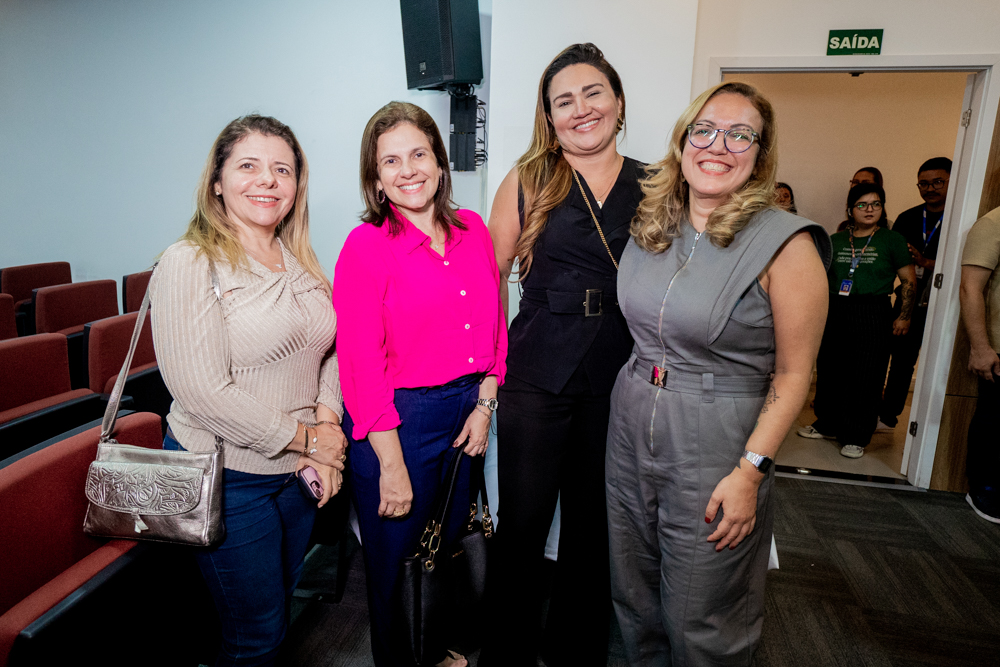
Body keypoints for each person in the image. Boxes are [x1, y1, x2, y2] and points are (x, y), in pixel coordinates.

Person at [606, 81, 830, 666]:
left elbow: (794, 375)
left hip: (717, 440)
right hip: (630, 423)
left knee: (701, 613)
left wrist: (750, 472)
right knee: (634, 594)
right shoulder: (654, 227)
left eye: (739, 135)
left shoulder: (787, 245)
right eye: (703, 130)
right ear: (683, 142)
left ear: (761, 153)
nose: (717, 146)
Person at [150, 114, 347, 666]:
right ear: (217, 181)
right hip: (227, 477)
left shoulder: (300, 261)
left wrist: (327, 422)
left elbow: (332, 350)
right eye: (248, 166)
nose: (267, 180)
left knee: (277, 609)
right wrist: (312, 440)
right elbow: (202, 392)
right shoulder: (190, 261)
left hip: (293, 475)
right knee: (256, 636)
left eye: (282, 169)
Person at [477, 43, 642, 667]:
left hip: (619, 369)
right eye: (564, 101)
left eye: (593, 93)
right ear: (549, 117)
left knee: (594, 523)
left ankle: (575, 651)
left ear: (618, 101)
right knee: (523, 521)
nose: (581, 109)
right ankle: (506, 655)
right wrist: (489, 372)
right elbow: (490, 277)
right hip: (536, 370)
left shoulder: (658, 184)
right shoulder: (529, 179)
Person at [333, 101, 507, 667]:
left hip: (467, 412)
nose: (408, 170)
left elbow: (494, 327)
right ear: (375, 178)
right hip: (398, 424)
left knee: (446, 549)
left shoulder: (473, 230)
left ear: (439, 162)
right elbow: (360, 364)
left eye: (418, 154)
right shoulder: (366, 247)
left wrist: (484, 406)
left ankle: (432, 651)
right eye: (391, 161)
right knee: (396, 567)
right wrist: (390, 463)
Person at [798, 183, 916, 458]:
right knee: (830, 369)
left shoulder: (892, 239)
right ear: (850, 210)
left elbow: (909, 280)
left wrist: (904, 316)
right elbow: (819, 279)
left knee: (866, 375)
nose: (869, 209)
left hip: (873, 310)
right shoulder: (836, 239)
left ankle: (856, 435)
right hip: (835, 309)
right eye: (862, 205)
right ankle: (827, 423)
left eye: (876, 204)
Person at [879, 157, 952, 431]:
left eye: (937, 182)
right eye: (924, 183)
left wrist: (925, 262)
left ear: (952, 181)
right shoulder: (908, 218)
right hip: (908, 302)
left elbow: (963, 265)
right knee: (900, 361)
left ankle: (935, 426)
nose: (930, 188)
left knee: (941, 365)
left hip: (946, 303)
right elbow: (892, 260)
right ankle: (887, 416)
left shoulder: (960, 217)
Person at [959, 205, 1000, 524]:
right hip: (998, 350)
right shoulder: (992, 224)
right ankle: (984, 489)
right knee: (995, 421)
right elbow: (970, 288)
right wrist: (980, 347)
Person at [837, 167, 887, 231]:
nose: (859, 186)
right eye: (855, 182)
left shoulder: (889, 230)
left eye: (865, 182)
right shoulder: (843, 227)